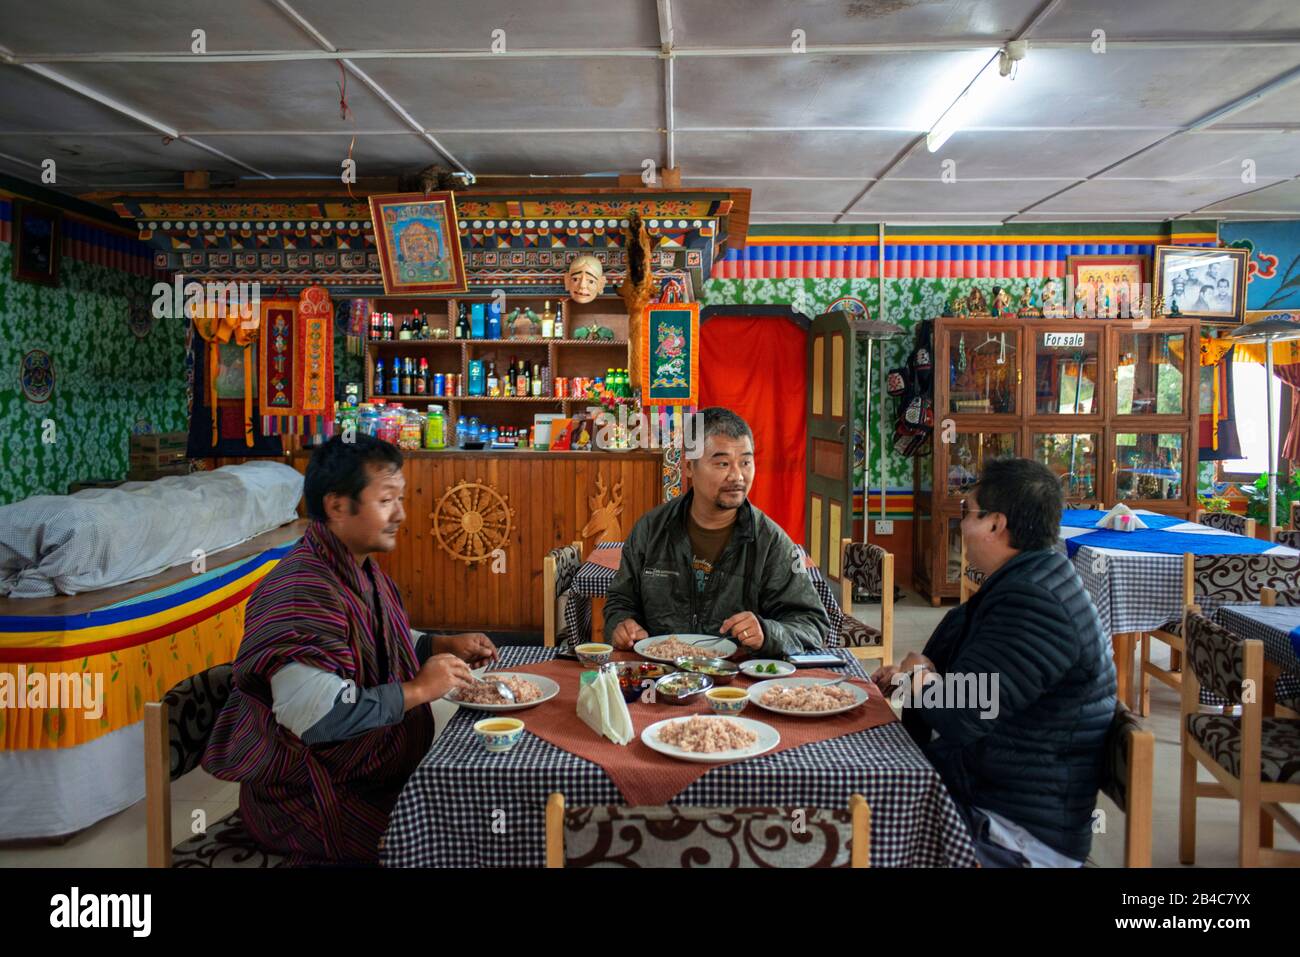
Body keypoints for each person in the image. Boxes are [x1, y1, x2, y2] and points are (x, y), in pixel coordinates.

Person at [203, 434, 496, 865]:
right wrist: (417, 690)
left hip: (368, 777)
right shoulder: (301, 591)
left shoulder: (359, 569)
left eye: (399, 498)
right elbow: (320, 716)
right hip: (310, 800)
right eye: (385, 501)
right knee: (463, 841)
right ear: (338, 506)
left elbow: (377, 645)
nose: (400, 514)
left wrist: (438, 644)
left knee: (481, 804)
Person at [872, 457, 1116, 867]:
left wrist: (918, 678)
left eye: (967, 512)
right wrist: (913, 679)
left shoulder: (1036, 603)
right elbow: (983, 687)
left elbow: (965, 711)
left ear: (995, 524)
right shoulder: (1032, 578)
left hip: (1013, 832)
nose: (961, 526)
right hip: (992, 793)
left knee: (838, 834)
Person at [603, 407, 829, 657]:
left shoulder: (770, 541)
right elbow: (620, 602)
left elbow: (812, 624)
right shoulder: (651, 530)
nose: (737, 476)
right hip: (662, 678)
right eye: (722, 463)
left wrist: (767, 632)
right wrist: (621, 625)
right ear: (689, 467)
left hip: (737, 683)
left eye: (745, 462)